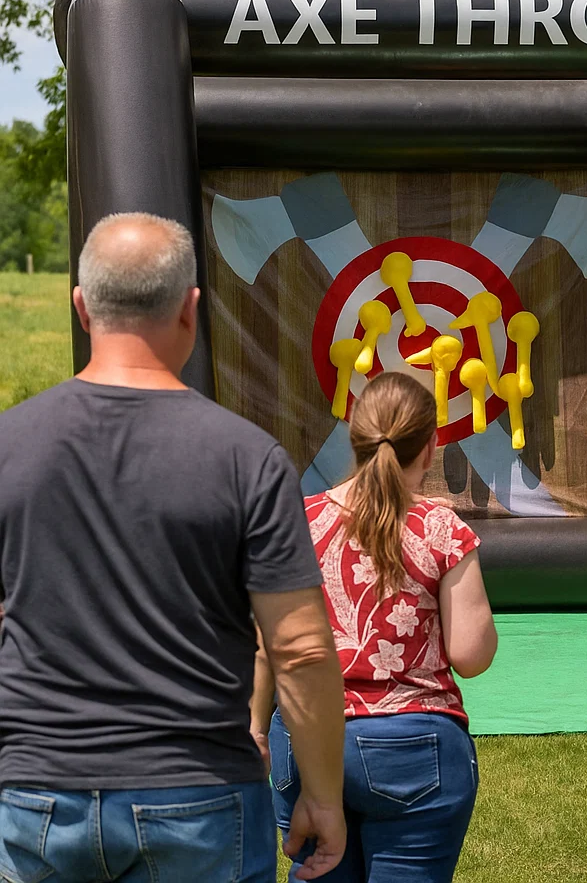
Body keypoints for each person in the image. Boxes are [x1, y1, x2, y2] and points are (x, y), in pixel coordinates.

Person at [0, 213, 347, 882]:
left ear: (81, 307)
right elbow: (300, 651)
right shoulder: (248, 459)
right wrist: (323, 797)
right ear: (191, 308)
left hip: (36, 794)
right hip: (199, 795)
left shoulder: (8, 444)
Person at [255, 371, 498, 883]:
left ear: (355, 436)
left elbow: (263, 642)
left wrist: (255, 729)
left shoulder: (297, 520)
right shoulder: (442, 530)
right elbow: (472, 655)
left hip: (303, 740)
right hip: (413, 748)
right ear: (430, 447)